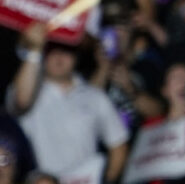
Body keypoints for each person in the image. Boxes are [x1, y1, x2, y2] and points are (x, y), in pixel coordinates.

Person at [4, 24, 129, 184]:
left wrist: (108, 180)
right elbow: (21, 101)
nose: (59, 56)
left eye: (66, 50)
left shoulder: (95, 97)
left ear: (76, 57)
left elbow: (118, 144)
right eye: (52, 49)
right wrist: (34, 51)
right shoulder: (28, 89)